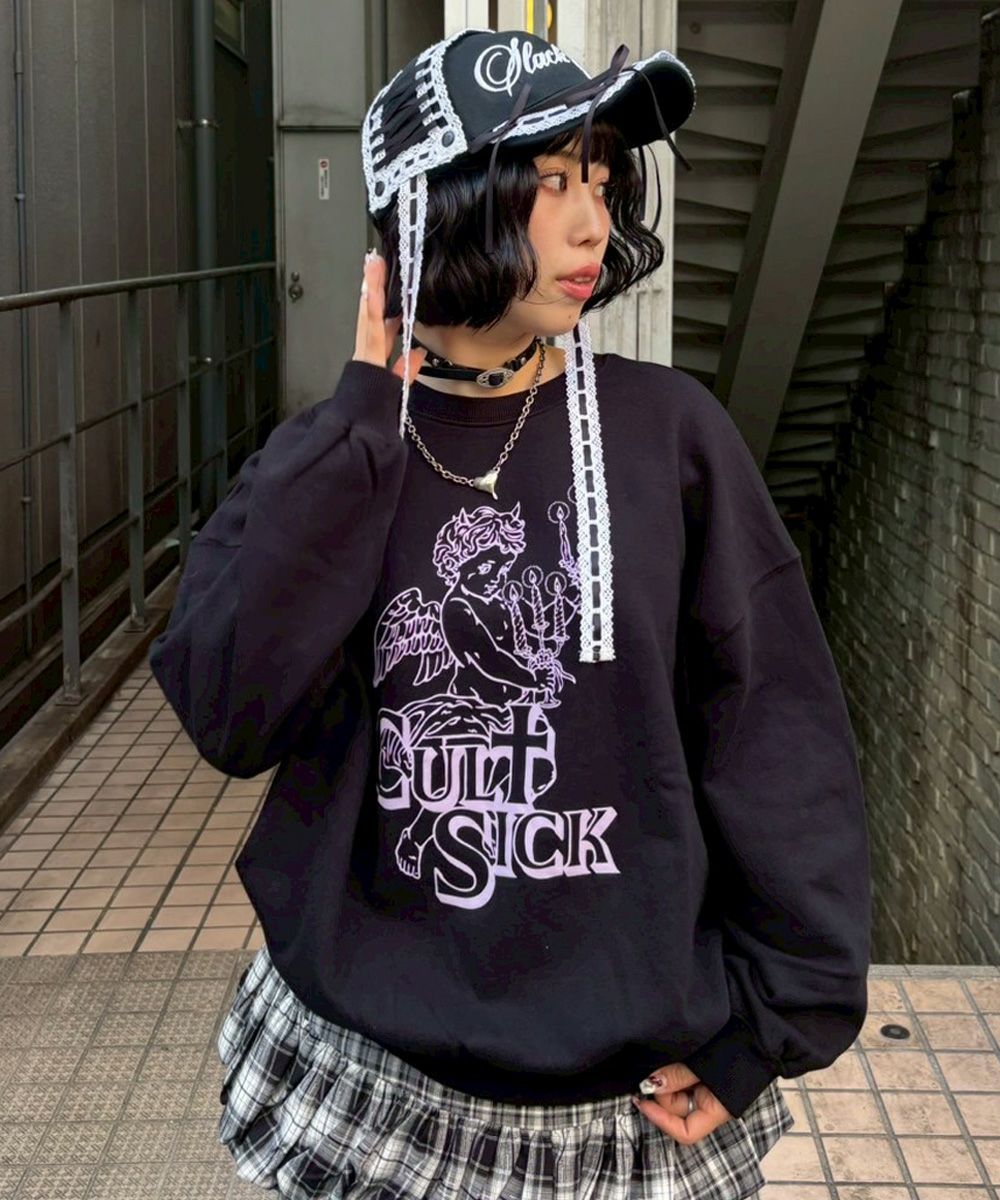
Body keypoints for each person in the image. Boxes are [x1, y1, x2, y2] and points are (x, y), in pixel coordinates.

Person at [149, 26, 871, 1200]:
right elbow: (230, 711)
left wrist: (769, 1024)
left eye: (600, 179)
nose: (591, 223)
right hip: (369, 1070)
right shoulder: (328, 455)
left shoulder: (672, 436)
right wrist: (352, 437)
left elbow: (775, 735)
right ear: (434, 208)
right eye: (547, 182)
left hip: (622, 1093)